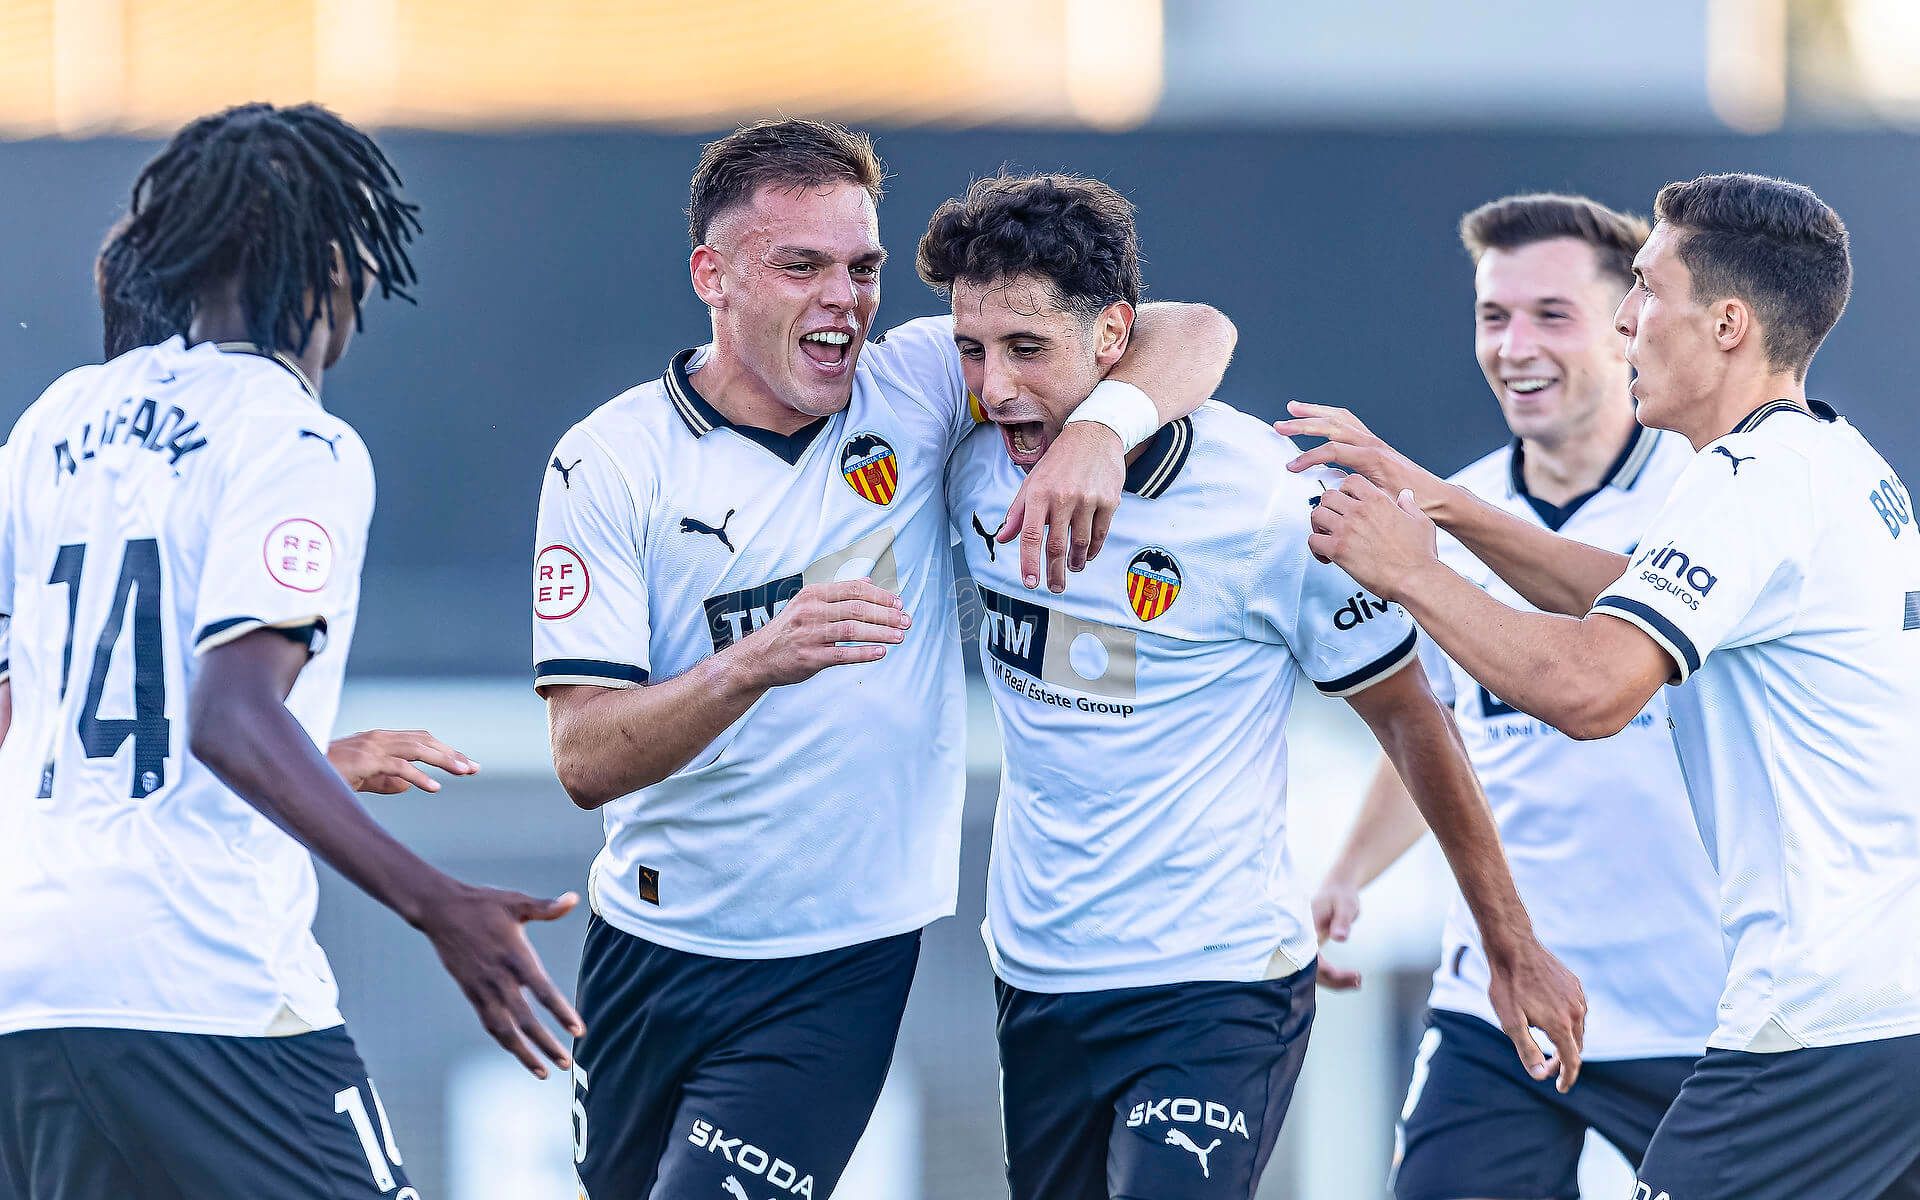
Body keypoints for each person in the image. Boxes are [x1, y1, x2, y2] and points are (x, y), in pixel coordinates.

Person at [536, 119, 1237, 1200]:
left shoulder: (915, 384)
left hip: (837, 962)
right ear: (710, 276)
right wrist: (753, 663)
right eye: (802, 266)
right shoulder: (611, 460)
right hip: (651, 939)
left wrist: (1101, 430)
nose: (846, 299)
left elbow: (1193, 326)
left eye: (862, 268)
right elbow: (584, 757)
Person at [930, 171, 1584, 1200]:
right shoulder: (965, 456)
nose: (995, 386)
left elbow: (1416, 722)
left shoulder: (1265, 504)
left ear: (1111, 341)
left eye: (1025, 350)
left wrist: (1512, 944)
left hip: (1215, 982)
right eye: (971, 350)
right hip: (1037, 978)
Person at [1297, 172, 1920, 1200]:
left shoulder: (1743, 480)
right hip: (1874, 1010)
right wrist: (1443, 509)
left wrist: (1409, 570)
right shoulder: (1824, 457)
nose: (1627, 322)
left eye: (1643, 291)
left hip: (1813, 1024)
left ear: (1725, 324)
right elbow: (1626, 596)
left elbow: (1593, 690)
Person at [0, 102, 581, 1200]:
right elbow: (229, 717)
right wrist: (436, 904)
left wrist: (312, 755)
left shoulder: (50, 426)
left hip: (30, 988)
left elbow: (31, 714)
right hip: (200, 984)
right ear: (331, 262)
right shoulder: (293, 437)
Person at [1304, 194, 1722, 1200]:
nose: (1514, 345)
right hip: (1504, 1005)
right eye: (1494, 317)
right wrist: (1348, 875)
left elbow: (1603, 622)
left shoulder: (1712, 498)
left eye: (1550, 314)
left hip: (1698, 1015)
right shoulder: (1441, 513)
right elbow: (1435, 728)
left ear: (1628, 323)